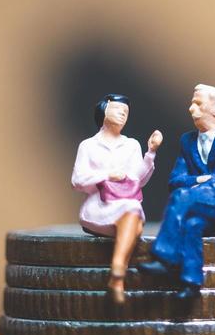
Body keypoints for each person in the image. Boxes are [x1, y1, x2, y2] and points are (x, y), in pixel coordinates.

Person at [135, 84, 215, 298]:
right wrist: (201, 179)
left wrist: (196, 189)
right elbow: (175, 180)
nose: (191, 108)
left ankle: (165, 257)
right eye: (191, 103)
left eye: (198, 103)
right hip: (199, 211)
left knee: (181, 197)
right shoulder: (187, 141)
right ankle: (191, 282)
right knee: (192, 223)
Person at [69, 94, 162, 304]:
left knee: (133, 212)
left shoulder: (131, 145)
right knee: (135, 222)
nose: (122, 114)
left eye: (126, 112)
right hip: (99, 206)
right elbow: (77, 180)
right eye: (118, 109)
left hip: (126, 202)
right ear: (104, 110)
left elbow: (139, 179)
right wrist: (107, 175)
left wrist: (151, 152)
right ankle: (118, 274)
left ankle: (117, 275)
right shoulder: (88, 145)